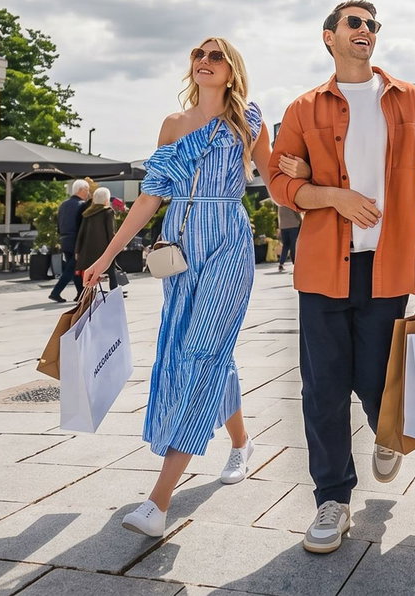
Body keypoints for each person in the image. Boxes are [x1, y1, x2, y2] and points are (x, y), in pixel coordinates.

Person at [268, 0, 415, 554]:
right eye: (355, 23)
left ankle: (386, 432)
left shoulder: (412, 103)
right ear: (329, 37)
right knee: (322, 390)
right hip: (323, 269)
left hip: (389, 265)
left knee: (376, 380)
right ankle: (333, 499)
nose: (366, 31)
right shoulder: (303, 108)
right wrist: (333, 197)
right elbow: (278, 180)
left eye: (373, 25)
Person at [80, 36, 274, 539]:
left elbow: (277, 182)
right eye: (198, 55)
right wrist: (104, 258)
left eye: (217, 57)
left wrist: (303, 174)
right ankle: (241, 443)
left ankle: (159, 500)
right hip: (178, 249)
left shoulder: (248, 121)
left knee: (203, 354)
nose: (205, 62)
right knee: (192, 351)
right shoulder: (173, 125)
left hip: (228, 241)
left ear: (232, 70)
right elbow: (148, 200)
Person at [46, 179, 89, 302]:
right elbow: (82, 225)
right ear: (81, 190)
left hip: (64, 239)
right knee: (71, 269)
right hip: (76, 240)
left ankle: (80, 294)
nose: (88, 193)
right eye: (87, 190)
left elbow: (58, 223)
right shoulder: (82, 205)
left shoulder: (63, 204)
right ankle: (55, 292)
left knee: (75, 267)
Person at [74, 187, 118, 286]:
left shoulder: (87, 213)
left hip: (88, 250)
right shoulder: (108, 212)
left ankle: (89, 296)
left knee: (90, 275)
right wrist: (116, 248)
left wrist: (78, 249)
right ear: (107, 199)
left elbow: (81, 233)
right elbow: (111, 232)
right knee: (112, 272)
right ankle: (114, 295)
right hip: (104, 249)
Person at [276, 202, 301, 273]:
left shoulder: (279, 204)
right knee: (293, 245)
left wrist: (280, 226)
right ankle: (295, 264)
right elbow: (296, 213)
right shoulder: (290, 202)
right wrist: (301, 221)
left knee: (285, 245)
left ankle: (281, 263)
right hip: (293, 225)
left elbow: (279, 216)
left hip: (283, 226)